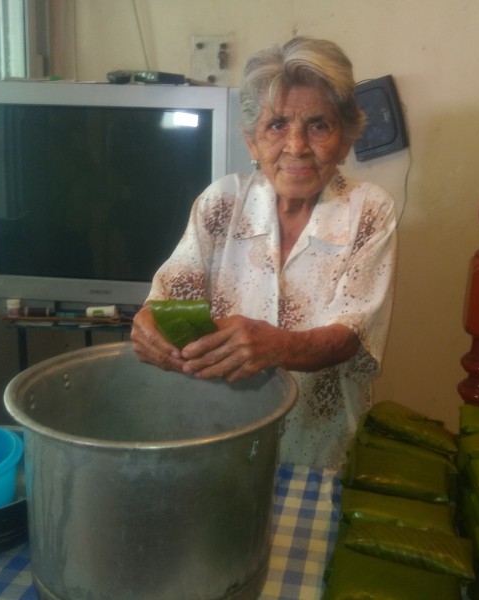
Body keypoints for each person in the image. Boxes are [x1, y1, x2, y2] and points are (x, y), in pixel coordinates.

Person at [131, 36, 397, 469]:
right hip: (216, 439)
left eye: (318, 125)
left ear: (346, 139)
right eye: (276, 126)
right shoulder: (221, 203)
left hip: (317, 447)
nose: (296, 146)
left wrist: (277, 346)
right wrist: (150, 325)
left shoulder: (369, 211)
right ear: (252, 142)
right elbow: (171, 299)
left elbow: (351, 335)